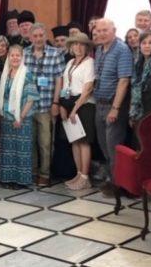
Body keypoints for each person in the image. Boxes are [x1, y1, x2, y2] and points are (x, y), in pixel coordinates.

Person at [92, 19, 133, 196]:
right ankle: (111, 180)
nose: (101, 33)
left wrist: (115, 108)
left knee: (113, 146)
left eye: (105, 30)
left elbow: (124, 81)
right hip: (99, 104)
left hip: (113, 105)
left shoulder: (122, 50)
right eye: (98, 31)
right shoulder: (100, 49)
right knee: (103, 145)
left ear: (114, 30)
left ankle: (119, 185)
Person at [23, 23, 66, 187]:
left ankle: (45, 173)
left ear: (45, 37)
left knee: (46, 143)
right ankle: (33, 171)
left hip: (46, 105)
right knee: (30, 141)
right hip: (28, 106)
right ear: (30, 38)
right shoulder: (25, 54)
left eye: (41, 35)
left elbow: (59, 80)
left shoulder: (55, 54)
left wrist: (56, 102)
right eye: (35, 36)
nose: (38, 39)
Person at [56, 33, 96, 190]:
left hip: (84, 105)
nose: (78, 47)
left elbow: (87, 90)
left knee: (84, 142)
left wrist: (74, 109)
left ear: (86, 47)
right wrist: (62, 106)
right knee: (74, 140)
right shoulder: (70, 63)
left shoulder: (90, 63)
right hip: (69, 103)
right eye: (75, 44)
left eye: (81, 44)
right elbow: (65, 86)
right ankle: (79, 174)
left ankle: (85, 177)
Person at [0, 45, 38, 188]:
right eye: (12, 55)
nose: (15, 58)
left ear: (22, 57)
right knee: (8, 150)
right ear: (8, 57)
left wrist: (20, 117)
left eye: (17, 55)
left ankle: (21, 180)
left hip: (22, 118)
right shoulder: (6, 73)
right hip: (7, 118)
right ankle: (7, 179)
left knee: (21, 150)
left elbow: (31, 98)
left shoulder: (27, 74)